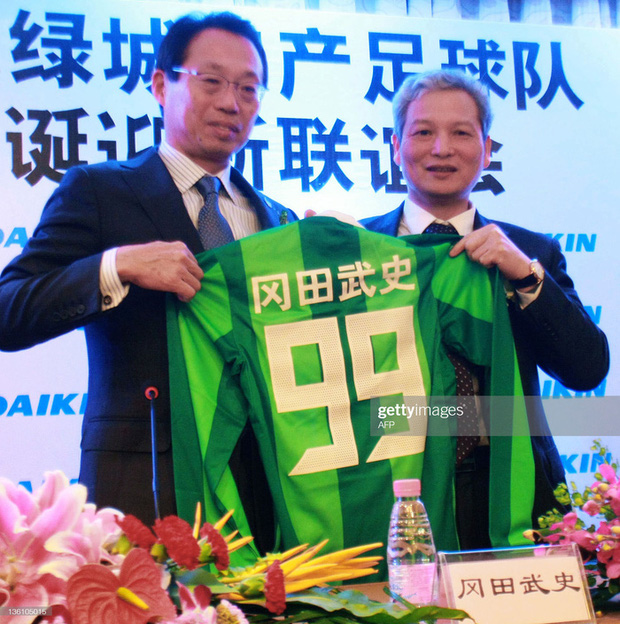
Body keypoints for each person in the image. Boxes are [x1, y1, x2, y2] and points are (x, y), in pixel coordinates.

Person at [0, 11, 296, 546]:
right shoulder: (98, 191)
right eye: (212, 81)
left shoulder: (279, 220)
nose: (231, 103)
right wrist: (116, 266)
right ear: (162, 85)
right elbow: (8, 311)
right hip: (145, 489)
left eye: (249, 89)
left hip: (259, 496)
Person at [361, 69, 609, 549]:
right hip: (396, 491)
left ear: (487, 148)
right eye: (423, 132)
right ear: (395, 146)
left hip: (515, 487)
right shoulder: (359, 249)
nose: (441, 149)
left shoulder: (531, 251)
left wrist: (524, 275)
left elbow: (587, 369)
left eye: (461, 133)